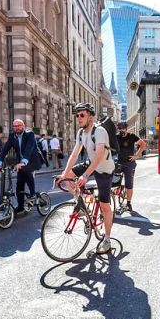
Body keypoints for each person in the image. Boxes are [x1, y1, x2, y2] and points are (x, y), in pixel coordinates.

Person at [59, 103, 115, 254]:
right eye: (77, 115)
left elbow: (100, 156)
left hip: (104, 169)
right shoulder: (80, 133)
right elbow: (75, 154)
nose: (79, 118)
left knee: (104, 206)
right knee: (68, 178)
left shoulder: (100, 131)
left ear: (91, 117)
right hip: (92, 163)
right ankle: (81, 204)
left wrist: (85, 175)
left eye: (82, 115)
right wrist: (64, 174)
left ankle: (107, 239)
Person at [0, 119, 44, 213]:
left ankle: (33, 194)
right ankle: (20, 205)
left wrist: (24, 162)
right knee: (19, 183)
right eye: (15, 126)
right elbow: (5, 149)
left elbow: (29, 148)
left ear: (23, 126)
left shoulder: (30, 134)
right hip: (20, 163)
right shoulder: (12, 136)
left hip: (32, 161)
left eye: (19, 125)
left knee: (27, 172)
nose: (17, 128)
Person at [116, 121, 146, 213]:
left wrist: (136, 155)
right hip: (120, 162)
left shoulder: (132, 136)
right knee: (112, 178)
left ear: (126, 128)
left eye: (123, 128)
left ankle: (128, 203)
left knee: (129, 184)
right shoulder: (117, 137)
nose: (121, 130)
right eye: (119, 128)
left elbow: (143, 144)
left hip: (129, 163)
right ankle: (117, 192)